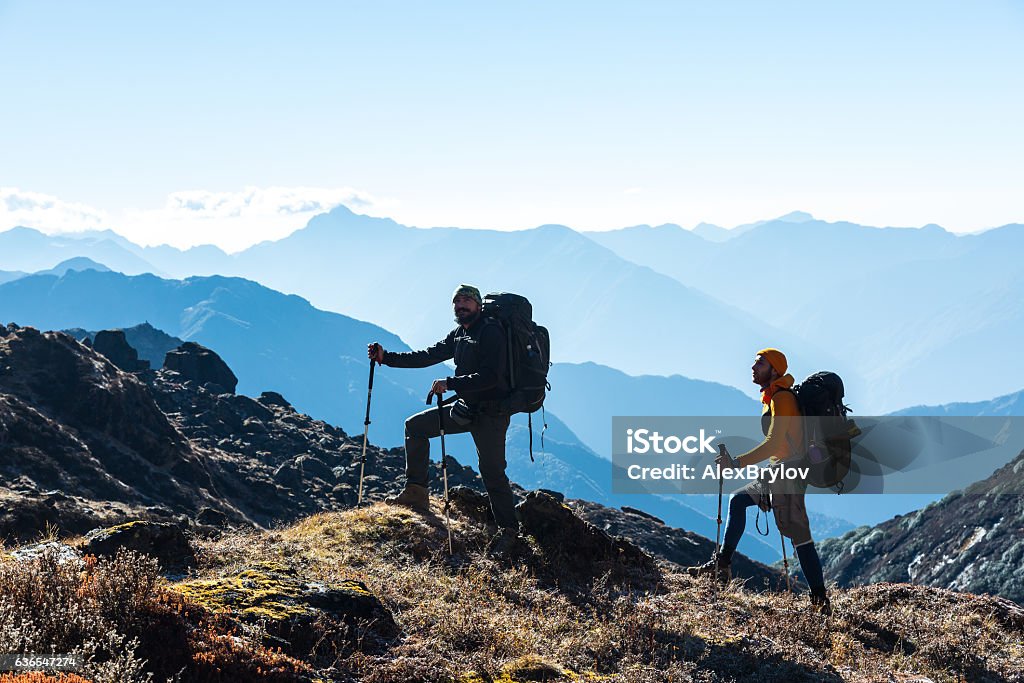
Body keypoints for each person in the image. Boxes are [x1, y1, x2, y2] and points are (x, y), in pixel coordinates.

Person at [367, 284, 521, 549]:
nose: (461, 305)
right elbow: (428, 355)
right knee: (414, 427)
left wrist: (451, 383)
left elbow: (492, 376)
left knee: (492, 473)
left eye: (466, 301)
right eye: (457, 301)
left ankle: (509, 532)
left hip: (491, 414)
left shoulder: (491, 331)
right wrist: (386, 358)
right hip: (464, 408)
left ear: (478, 304)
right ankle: (416, 493)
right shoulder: (460, 334)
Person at [688, 348, 832, 614]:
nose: (753, 368)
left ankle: (820, 601)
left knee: (800, 537)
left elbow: (774, 443)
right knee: (739, 500)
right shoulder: (772, 398)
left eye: (760, 363)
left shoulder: (782, 399)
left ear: (774, 370)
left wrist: (736, 462)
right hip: (779, 472)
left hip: (789, 474)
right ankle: (722, 564)